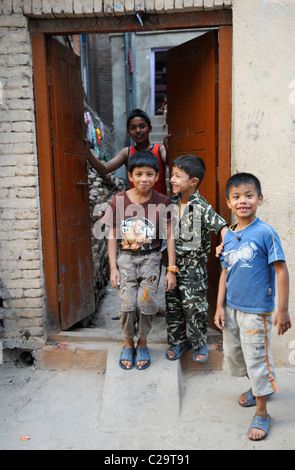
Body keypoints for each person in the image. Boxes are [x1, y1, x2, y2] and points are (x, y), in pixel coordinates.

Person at [214, 172, 291, 441]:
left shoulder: (265, 232)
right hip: (232, 310)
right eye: (236, 197)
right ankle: (259, 387)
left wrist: (282, 309)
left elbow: (281, 270)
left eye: (249, 195)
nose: (243, 201)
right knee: (238, 358)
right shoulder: (230, 235)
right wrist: (219, 307)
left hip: (256, 312)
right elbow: (225, 273)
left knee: (257, 360)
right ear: (228, 203)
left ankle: (262, 412)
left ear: (260, 199)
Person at [101, 151, 176, 370]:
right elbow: (112, 235)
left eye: (150, 174)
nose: (145, 178)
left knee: (146, 302)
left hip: (151, 259)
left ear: (157, 176)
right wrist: (113, 267)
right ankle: (128, 341)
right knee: (127, 304)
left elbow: (170, 236)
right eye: (139, 174)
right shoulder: (120, 200)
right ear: (130, 175)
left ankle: (142, 341)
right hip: (125, 259)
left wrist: (171, 269)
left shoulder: (163, 202)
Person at [165, 155, 228, 363]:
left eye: (178, 176)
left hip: (194, 270)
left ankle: (199, 342)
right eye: (172, 175)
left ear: (193, 182)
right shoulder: (171, 202)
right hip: (173, 265)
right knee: (173, 305)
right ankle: (178, 341)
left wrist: (225, 242)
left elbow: (222, 226)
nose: (172, 179)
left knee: (194, 307)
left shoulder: (201, 206)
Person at [85, 108, 168, 195]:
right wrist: (88, 153)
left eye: (142, 126)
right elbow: (105, 169)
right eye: (133, 128)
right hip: (136, 206)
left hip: (160, 205)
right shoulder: (127, 152)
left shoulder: (159, 149)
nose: (138, 131)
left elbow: (169, 162)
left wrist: (167, 148)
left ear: (150, 128)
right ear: (128, 132)